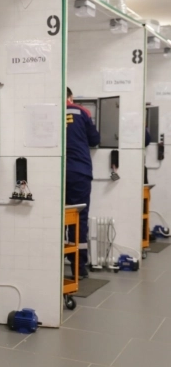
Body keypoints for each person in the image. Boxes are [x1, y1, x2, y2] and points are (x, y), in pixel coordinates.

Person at [66, 87, 100, 278]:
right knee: (79, 219)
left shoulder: (49, 110)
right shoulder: (82, 111)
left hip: (55, 173)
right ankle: (78, 268)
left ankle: (52, 266)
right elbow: (95, 140)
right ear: (70, 97)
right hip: (79, 172)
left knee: (55, 218)